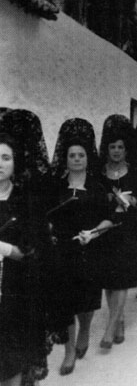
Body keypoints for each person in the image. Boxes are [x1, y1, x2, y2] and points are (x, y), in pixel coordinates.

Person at [48, 122, 112, 375]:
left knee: (86, 302)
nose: (76, 159)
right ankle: (69, 350)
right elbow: (46, 217)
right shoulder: (56, 187)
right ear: (65, 159)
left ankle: (85, 330)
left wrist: (93, 233)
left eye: (81, 155)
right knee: (67, 304)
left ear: (88, 158)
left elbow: (108, 220)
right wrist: (50, 231)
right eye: (72, 155)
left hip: (90, 252)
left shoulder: (97, 187)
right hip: (64, 251)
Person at [0, 132, 51, 386]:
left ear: (15, 163)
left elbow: (34, 250)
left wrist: (7, 249)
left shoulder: (26, 202)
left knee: (12, 362)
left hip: (15, 295)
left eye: (5, 158)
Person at [98, 115, 137, 349]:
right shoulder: (98, 175)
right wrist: (108, 199)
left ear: (126, 149)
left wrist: (133, 200)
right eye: (112, 147)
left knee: (121, 280)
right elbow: (94, 203)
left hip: (129, 232)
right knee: (110, 281)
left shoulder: (136, 173)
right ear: (106, 149)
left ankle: (110, 329)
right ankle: (118, 319)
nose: (116, 151)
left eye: (120, 147)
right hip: (106, 232)